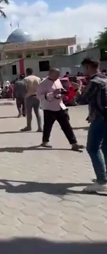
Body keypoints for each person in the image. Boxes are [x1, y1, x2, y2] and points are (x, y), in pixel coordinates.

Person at [36, 68, 83, 152]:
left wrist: (63, 92)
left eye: (58, 74)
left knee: (66, 125)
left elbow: (60, 89)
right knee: (48, 126)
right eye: (56, 74)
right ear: (50, 73)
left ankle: (74, 143)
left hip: (60, 106)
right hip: (49, 108)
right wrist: (51, 94)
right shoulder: (43, 83)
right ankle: (45, 141)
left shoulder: (57, 80)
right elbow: (39, 96)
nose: (58, 76)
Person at [80, 58, 107, 193]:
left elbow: (82, 100)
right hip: (103, 116)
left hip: (100, 120)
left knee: (93, 148)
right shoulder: (105, 79)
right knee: (106, 147)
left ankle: (101, 181)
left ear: (88, 67)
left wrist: (79, 88)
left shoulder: (95, 82)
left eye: (85, 68)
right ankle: (104, 176)